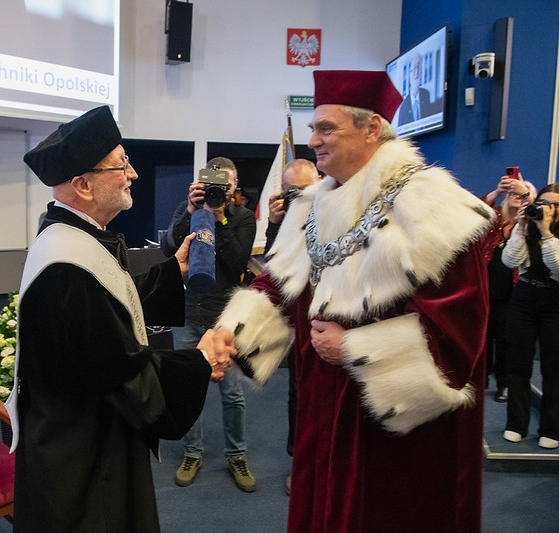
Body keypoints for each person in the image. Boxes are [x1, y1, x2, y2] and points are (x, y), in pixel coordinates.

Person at [215, 70, 494, 532]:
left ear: (372, 128)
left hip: (393, 436)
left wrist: (354, 348)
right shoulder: (311, 204)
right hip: (323, 410)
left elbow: (460, 329)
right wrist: (233, 331)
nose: (313, 141)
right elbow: (280, 283)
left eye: (326, 128)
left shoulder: (435, 207)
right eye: (312, 128)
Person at [7, 105, 236, 532]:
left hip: (84, 432)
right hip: (83, 456)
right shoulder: (67, 267)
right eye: (121, 164)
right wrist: (200, 360)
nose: (133, 173)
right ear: (83, 185)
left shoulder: (70, 235)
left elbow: (112, 302)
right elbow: (121, 371)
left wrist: (174, 270)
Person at [160, 157, 257, 492]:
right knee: (190, 387)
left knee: (232, 392)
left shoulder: (243, 218)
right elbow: (168, 248)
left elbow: (238, 262)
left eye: (225, 185)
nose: (220, 191)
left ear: (234, 186)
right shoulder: (188, 208)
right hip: (188, 310)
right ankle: (192, 453)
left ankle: (237, 455)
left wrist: (219, 220)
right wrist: (191, 211)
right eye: (214, 185)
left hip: (225, 317)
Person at [264, 157, 320, 495]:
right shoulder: (285, 219)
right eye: (292, 191)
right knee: (298, 394)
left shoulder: (339, 208)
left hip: (338, 320)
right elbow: (274, 266)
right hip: (301, 320)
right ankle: (298, 461)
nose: (299, 196)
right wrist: (275, 224)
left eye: (305, 189)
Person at [501, 183, 559, 450]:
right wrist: (522, 227)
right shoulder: (528, 227)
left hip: (555, 301)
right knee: (517, 364)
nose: (549, 209)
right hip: (524, 298)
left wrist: (546, 232)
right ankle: (516, 424)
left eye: (556, 205)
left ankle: (551, 428)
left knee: (553, 367)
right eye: (545, 203)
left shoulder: (547, 231)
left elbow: (556, 267)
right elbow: (510, 261)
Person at [482, 173, 537, 402]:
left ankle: (504, 383)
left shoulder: (531, 224)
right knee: (484, 338)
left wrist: (526, 198)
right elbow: (477, 208)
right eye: (511, 193)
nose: (515, 195)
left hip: (513, 293)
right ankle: (482, 378)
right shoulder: (495, 219)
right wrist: (498, 191)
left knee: (506, 339)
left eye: (520, 193)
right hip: (487, 290)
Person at [398, 52, 440, 124]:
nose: (417, 72)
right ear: (409, 73)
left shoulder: (426, 94)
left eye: (419, 67)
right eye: (414, 68)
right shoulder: (403, 106)